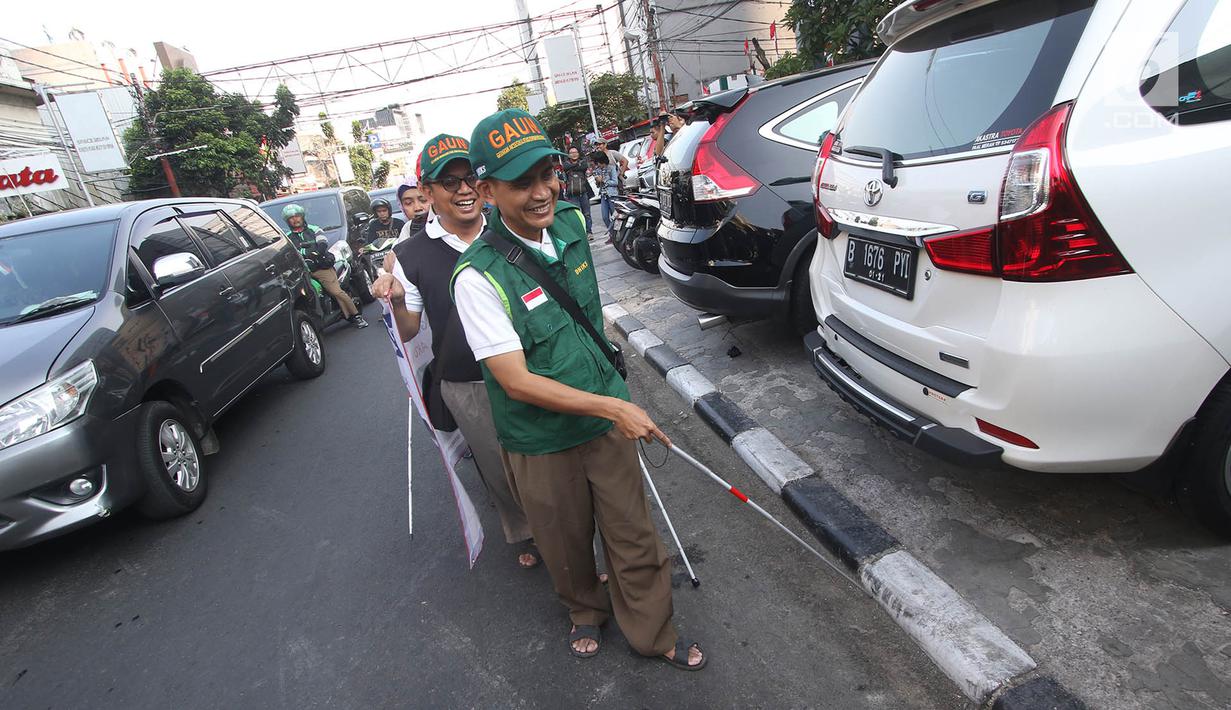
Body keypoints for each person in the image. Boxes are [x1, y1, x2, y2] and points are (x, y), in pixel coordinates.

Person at [452, 108, 706, 669]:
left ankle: (652, 632)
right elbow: (514, 380)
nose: (542, 191)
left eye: (547, 173)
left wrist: (609, 400)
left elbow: (586, 315)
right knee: (564, 545)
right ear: (488, 191)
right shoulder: (477, 276)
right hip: (540, 439)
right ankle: (584, 609)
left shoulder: (570, 223)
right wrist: (614, 406)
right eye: (522, 183)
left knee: (633, 534)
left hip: (603, 419)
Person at [371, 134, 539, 569]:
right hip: (467, 382)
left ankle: (563, 531)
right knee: (498, 467)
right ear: (427, 192)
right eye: (449, 182)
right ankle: (525, 531)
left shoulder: (510, 227)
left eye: (469, 178)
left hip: (534, 366)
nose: (464, 190)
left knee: (547, 459)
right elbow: (409, 330)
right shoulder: (409, 255)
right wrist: (395, 301)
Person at [282, 203, 367, 328]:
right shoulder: (287, 238)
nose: (295, 219)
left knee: (336, 291)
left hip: (320, 268)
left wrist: (314, 253)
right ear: (287, 221)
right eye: (291, 218)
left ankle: (356, 316)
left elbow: (322, 243)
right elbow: (287, 254)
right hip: (302, 272)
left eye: (297, 216)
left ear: (302, 216)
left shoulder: (314, 229)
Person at [559, 146, 594, 235]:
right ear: (568, 155)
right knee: (577, 215)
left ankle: (589, 232)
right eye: (571, 153)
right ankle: (581, 232)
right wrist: (577, 165)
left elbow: (583, 167)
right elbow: (566, 167)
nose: (574, 154)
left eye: (575, 152)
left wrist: (574, 167)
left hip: (583, 191)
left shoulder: (583, 162)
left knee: (587, 214)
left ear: (578, 153)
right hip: (572, 193)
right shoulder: (566, 164)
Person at [590, 151, 619, 231]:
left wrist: (604, 180)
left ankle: (616, 233)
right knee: (605, 217)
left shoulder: (611, 168)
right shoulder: (598, 170)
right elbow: (598, 185)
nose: (598, 164)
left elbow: (615, 182)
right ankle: (611, 233)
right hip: (603, 195)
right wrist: (597, 181)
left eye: (599, 162)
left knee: (614, 216)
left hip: (612, 195)